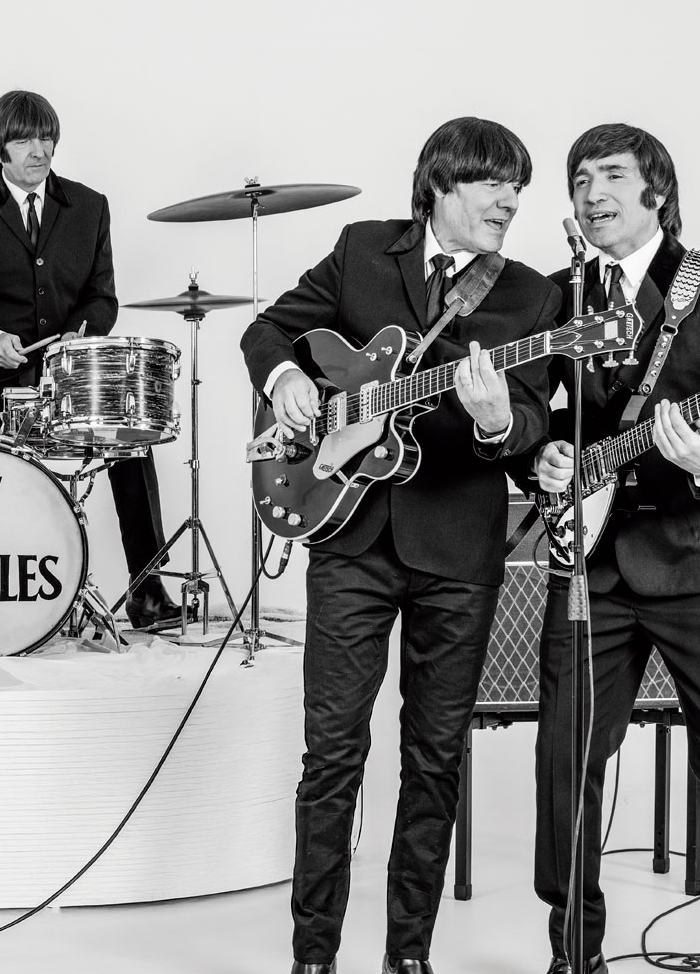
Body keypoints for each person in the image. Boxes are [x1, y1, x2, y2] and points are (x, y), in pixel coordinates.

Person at [241, 117, 560, 974]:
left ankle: (407, 956)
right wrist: (288, 380)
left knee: (433, 759)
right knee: (332, 755)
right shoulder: (361, 250)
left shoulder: (532, 297)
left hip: (458, 552)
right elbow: (268, 331)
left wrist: (497, 421)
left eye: (518, 187)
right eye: (493, 183)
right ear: (440, 185)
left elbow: (531, 425)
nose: (510, 201)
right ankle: (313, 955)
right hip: (351, 538)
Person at [528, 124, 700, 974]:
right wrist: (542, 458)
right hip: (589, 566)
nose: (591, 192)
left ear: (656, 192)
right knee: (565, 757)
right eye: (579, 179)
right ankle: (574, 954)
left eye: (610, 175)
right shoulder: (555, 297)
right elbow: (533, 421)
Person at [0, 88, 181, 627]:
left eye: (46, 138)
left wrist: (79, 336)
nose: (39, 150)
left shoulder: (89, 206)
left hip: (68, 373)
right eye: (23, 141)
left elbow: (103, 298)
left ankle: (147, 589)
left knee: (130, 439)